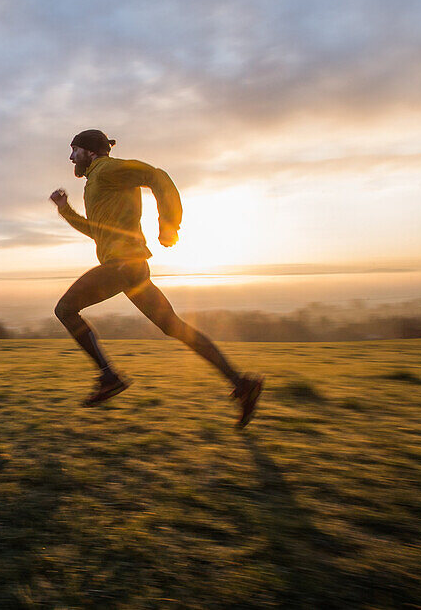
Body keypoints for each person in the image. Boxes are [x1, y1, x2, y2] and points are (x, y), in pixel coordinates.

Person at [50, 129, 264, 427]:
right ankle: (242, 383)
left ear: (90, 151)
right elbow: (95, 231)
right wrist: (65, 210)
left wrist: (169, 223)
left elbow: (157, 176)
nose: (70, 156)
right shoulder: (95, 185)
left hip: (123, 265)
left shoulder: (109, 169)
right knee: (173, 326)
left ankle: (108, 377)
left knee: (64, 309)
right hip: (131, 267)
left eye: (74, 149)